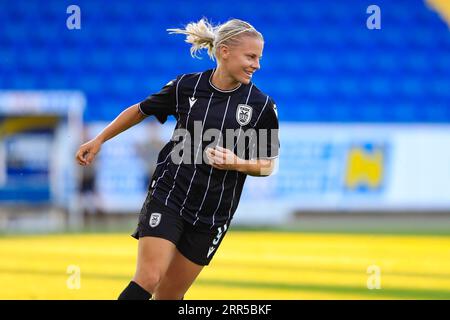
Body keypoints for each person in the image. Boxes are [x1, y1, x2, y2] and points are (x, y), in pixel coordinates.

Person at [75, 18, 280, 300]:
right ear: (225, 51)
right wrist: (99, 139)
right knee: (148, 278)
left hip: (213, 213)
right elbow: (140, 110)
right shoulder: (187, 86)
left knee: (168, 296)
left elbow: (268, 164)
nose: (256, 64)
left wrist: (236, 162)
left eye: (259, 57)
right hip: (170, 194)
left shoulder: (261, 106)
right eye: (251, 56)